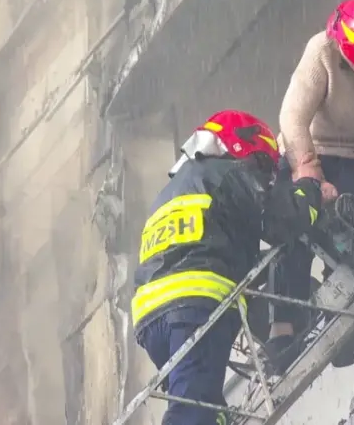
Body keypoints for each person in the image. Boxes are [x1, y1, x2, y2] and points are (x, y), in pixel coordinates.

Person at [131, 110, 323, 425]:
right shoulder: (229, 174)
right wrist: (308, 185)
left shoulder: (171, 192)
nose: (266, 179)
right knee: (193, 412)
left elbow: (207, 251)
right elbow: (282, 222)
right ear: (244, 150)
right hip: (194, 308)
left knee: (207, 407)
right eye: (263, 166)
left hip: (152, 323)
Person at [265, 0, 354, 373]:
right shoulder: (322, 50)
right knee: (293, 227)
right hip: (315, 152)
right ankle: (283, 329)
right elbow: (292, 117)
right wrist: (309, 173)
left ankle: (342, 318)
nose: (346, 62)